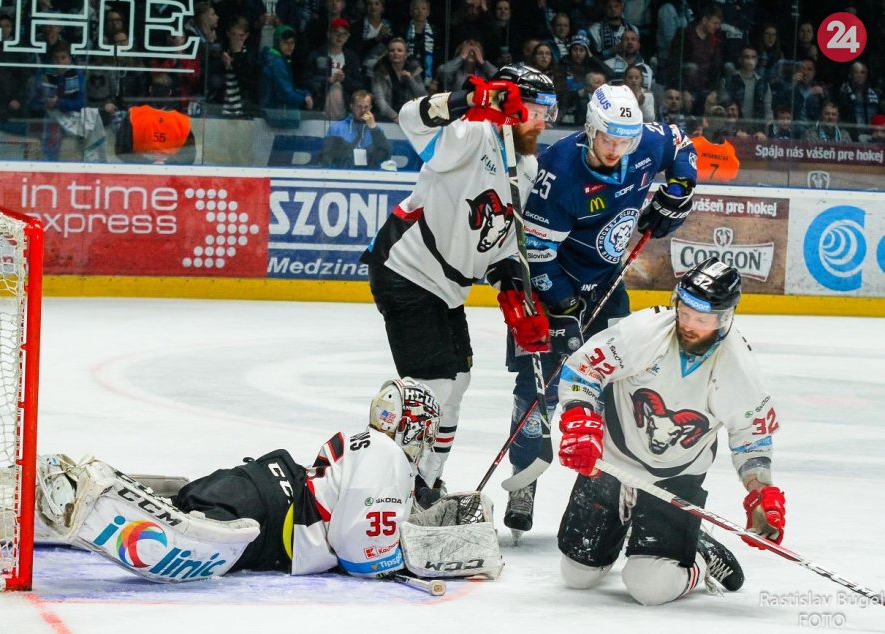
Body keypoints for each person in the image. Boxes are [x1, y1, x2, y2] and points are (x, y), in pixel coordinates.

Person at [34, 378, 502, 582]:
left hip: (260, 487)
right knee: (182, 544)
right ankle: (87, 494)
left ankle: (36, 506)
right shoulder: (387, 454)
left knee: (181, 509)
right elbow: (362, 554)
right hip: (269, 515)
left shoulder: (368, 444)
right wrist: (415, 555)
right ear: (415, 426)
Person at [501, 84, 698, 536]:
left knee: (621, 388)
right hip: (549, 291)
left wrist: (678, 191)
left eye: (625, 141)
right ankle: (523, 481)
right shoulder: (558, 173)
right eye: (608, 138)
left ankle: (607, 493)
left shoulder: (644, 144)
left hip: (608, 287)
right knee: (537, 389)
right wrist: (565, 308)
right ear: (591, 129)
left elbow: (680, 144)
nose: (616, 149)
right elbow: (537, 256)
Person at [360, 65, 559, 503]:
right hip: (407, 270)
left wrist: (513, 293)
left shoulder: (526, 166)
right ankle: (392, 490)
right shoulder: (471, 134)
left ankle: (426, 485)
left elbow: (503, 245)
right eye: (536, 111)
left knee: (459, 382)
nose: (543, 123)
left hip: (446, 289)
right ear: (510, 106)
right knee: (432, 387)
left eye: (549, 112)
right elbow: (410, 117)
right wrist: (468, 100)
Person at [555, 258, 786, 605]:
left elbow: (751, 440)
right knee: (578, 576)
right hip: (612, 462)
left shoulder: (738, 370)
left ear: (724, 318)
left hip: (675, 480)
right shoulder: (645, 331)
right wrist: (580, 418)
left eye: (702, 319)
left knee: (650, 588)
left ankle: (700, 555)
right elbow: (584, 369)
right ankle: (636, 526)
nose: (689, 325)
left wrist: (760, 491)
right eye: (685, 312)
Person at [114, 74, 197, 165]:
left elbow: (122, 150)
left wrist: (147, 162)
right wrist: (166, 163)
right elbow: (189, 156)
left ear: (150, 89)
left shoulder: (134, 115)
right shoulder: (182, 121)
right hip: (170, 171)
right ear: (169, 92)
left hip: (140, 169)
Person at [260, 25, 314, 129]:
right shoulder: (277, 62)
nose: (290, 46)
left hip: (276, 113)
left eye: (292, 42)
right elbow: (285, 93)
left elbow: (287, 88)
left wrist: (304, 94)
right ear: (277, 42)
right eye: (285, 42)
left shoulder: (279, 59)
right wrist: (304, 100)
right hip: (278, 115)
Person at [322, 90, 393, 168]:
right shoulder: (336, 129)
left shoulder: (376, 131)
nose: (363, 110)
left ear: (370, 108)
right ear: (352, 107)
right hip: (343, 173)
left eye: (366, 107)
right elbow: (327, 157)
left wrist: (373, 128)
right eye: (359, 106)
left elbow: (386, 155)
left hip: (369, 173)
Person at [690, 105, 740, 183]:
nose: (717, 121)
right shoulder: (692, 145)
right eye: (715, 117)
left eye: (721, 118)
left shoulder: (729, 150)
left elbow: (730, 179)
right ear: (706, 120)